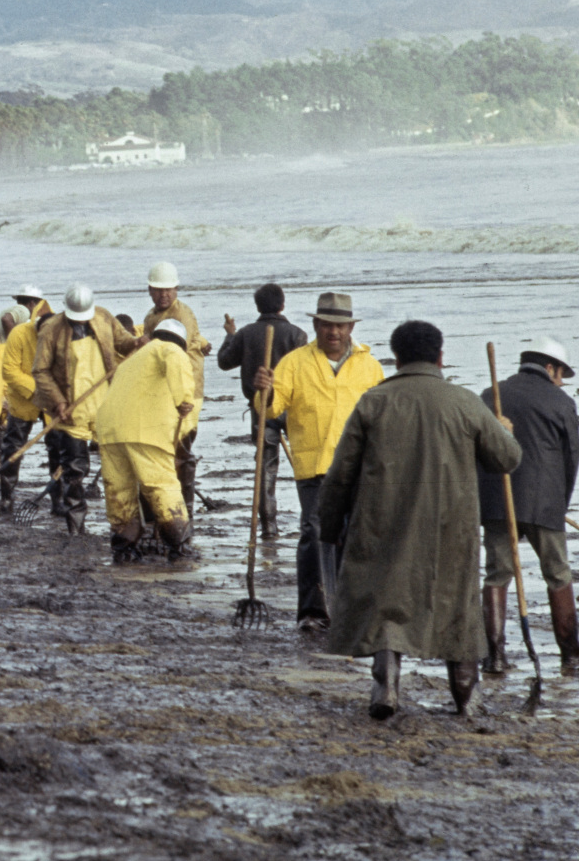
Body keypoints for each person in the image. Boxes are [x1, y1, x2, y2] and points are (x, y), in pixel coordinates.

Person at [321, 320, 522, 719]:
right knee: (456, 609)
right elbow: (508, 458)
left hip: (383, 524)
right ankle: (466, 697)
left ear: (395, 358)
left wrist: (328, 526)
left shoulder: (373, 401)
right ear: (440, 357)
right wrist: (503, 430)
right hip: (451, 528)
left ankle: (387, 688)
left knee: (387, 604)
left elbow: (341, 473)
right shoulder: (464, 401)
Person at [257, 292, 385, 633]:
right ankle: (313, 611)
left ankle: (349, 609)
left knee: (352, 536)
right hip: (313, 465)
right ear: (315, 325)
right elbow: (269, 409)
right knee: (315, 535)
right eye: (327, 324)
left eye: (340, 325)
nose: (334, 332)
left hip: (358, 467)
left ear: (350, 327)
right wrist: (263, 391)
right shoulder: (295, 362)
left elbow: (383, 417)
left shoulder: (369, 366)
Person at [477, 338, 579, 669]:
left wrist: (484, 501)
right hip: (544, 503)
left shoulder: (491, 395)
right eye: (560, 375)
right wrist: (561, 503)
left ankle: (494, 656)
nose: (561, 383)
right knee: (558, 573)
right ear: (549, 368)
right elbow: (571, 456)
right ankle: (570, 649)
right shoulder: (559, 401)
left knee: (496, 574)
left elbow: (476, 451)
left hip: (497, 500)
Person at [94, 318, 197, 562]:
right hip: (145, 430)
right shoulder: (168, 348)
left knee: (119, 490)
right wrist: (184, 399)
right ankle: (179, 545)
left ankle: (124, 546)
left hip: (109, 430)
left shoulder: (132, 359)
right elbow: (176, 360)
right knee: (161, 485)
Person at [218, 283, 308, 539]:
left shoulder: (246, 334)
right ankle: (310, 519)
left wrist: (230, 335)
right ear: (282, 304)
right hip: (292, 409)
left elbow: (224, 361)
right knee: (304, 464)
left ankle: (269, 527)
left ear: (258, 306)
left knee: (265, 468)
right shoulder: (297, 335)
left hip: (261, 408)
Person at [30, 285, 115, 533]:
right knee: (75, 471)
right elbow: (40, 371)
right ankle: (76, 526)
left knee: (116, 465)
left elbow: (122, 342)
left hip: (105, 406)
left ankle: (121, 524)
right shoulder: (52, 329)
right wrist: (58, 401)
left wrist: (138, 342)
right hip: (72, 411)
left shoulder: (104, 318)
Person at [140, 262, 213, 531]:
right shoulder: (150, 317)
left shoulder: (182, 315)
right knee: (166, 450)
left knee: (182, 450)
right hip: (163, 392)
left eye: (168, 290)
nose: (164, 295)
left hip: (187, 392)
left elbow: (176, 352)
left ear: (176, 289)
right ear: (150, 290)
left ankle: (186, 509)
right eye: (159, 290)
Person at [0, 290, 56, 511]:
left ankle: (58, 501)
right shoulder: (19, 334)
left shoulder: (61, 334)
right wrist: (36, 391)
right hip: (23, 398)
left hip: (53, 400)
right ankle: (6, 496)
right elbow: (9, 371)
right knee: (13, 445)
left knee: (57, 448)